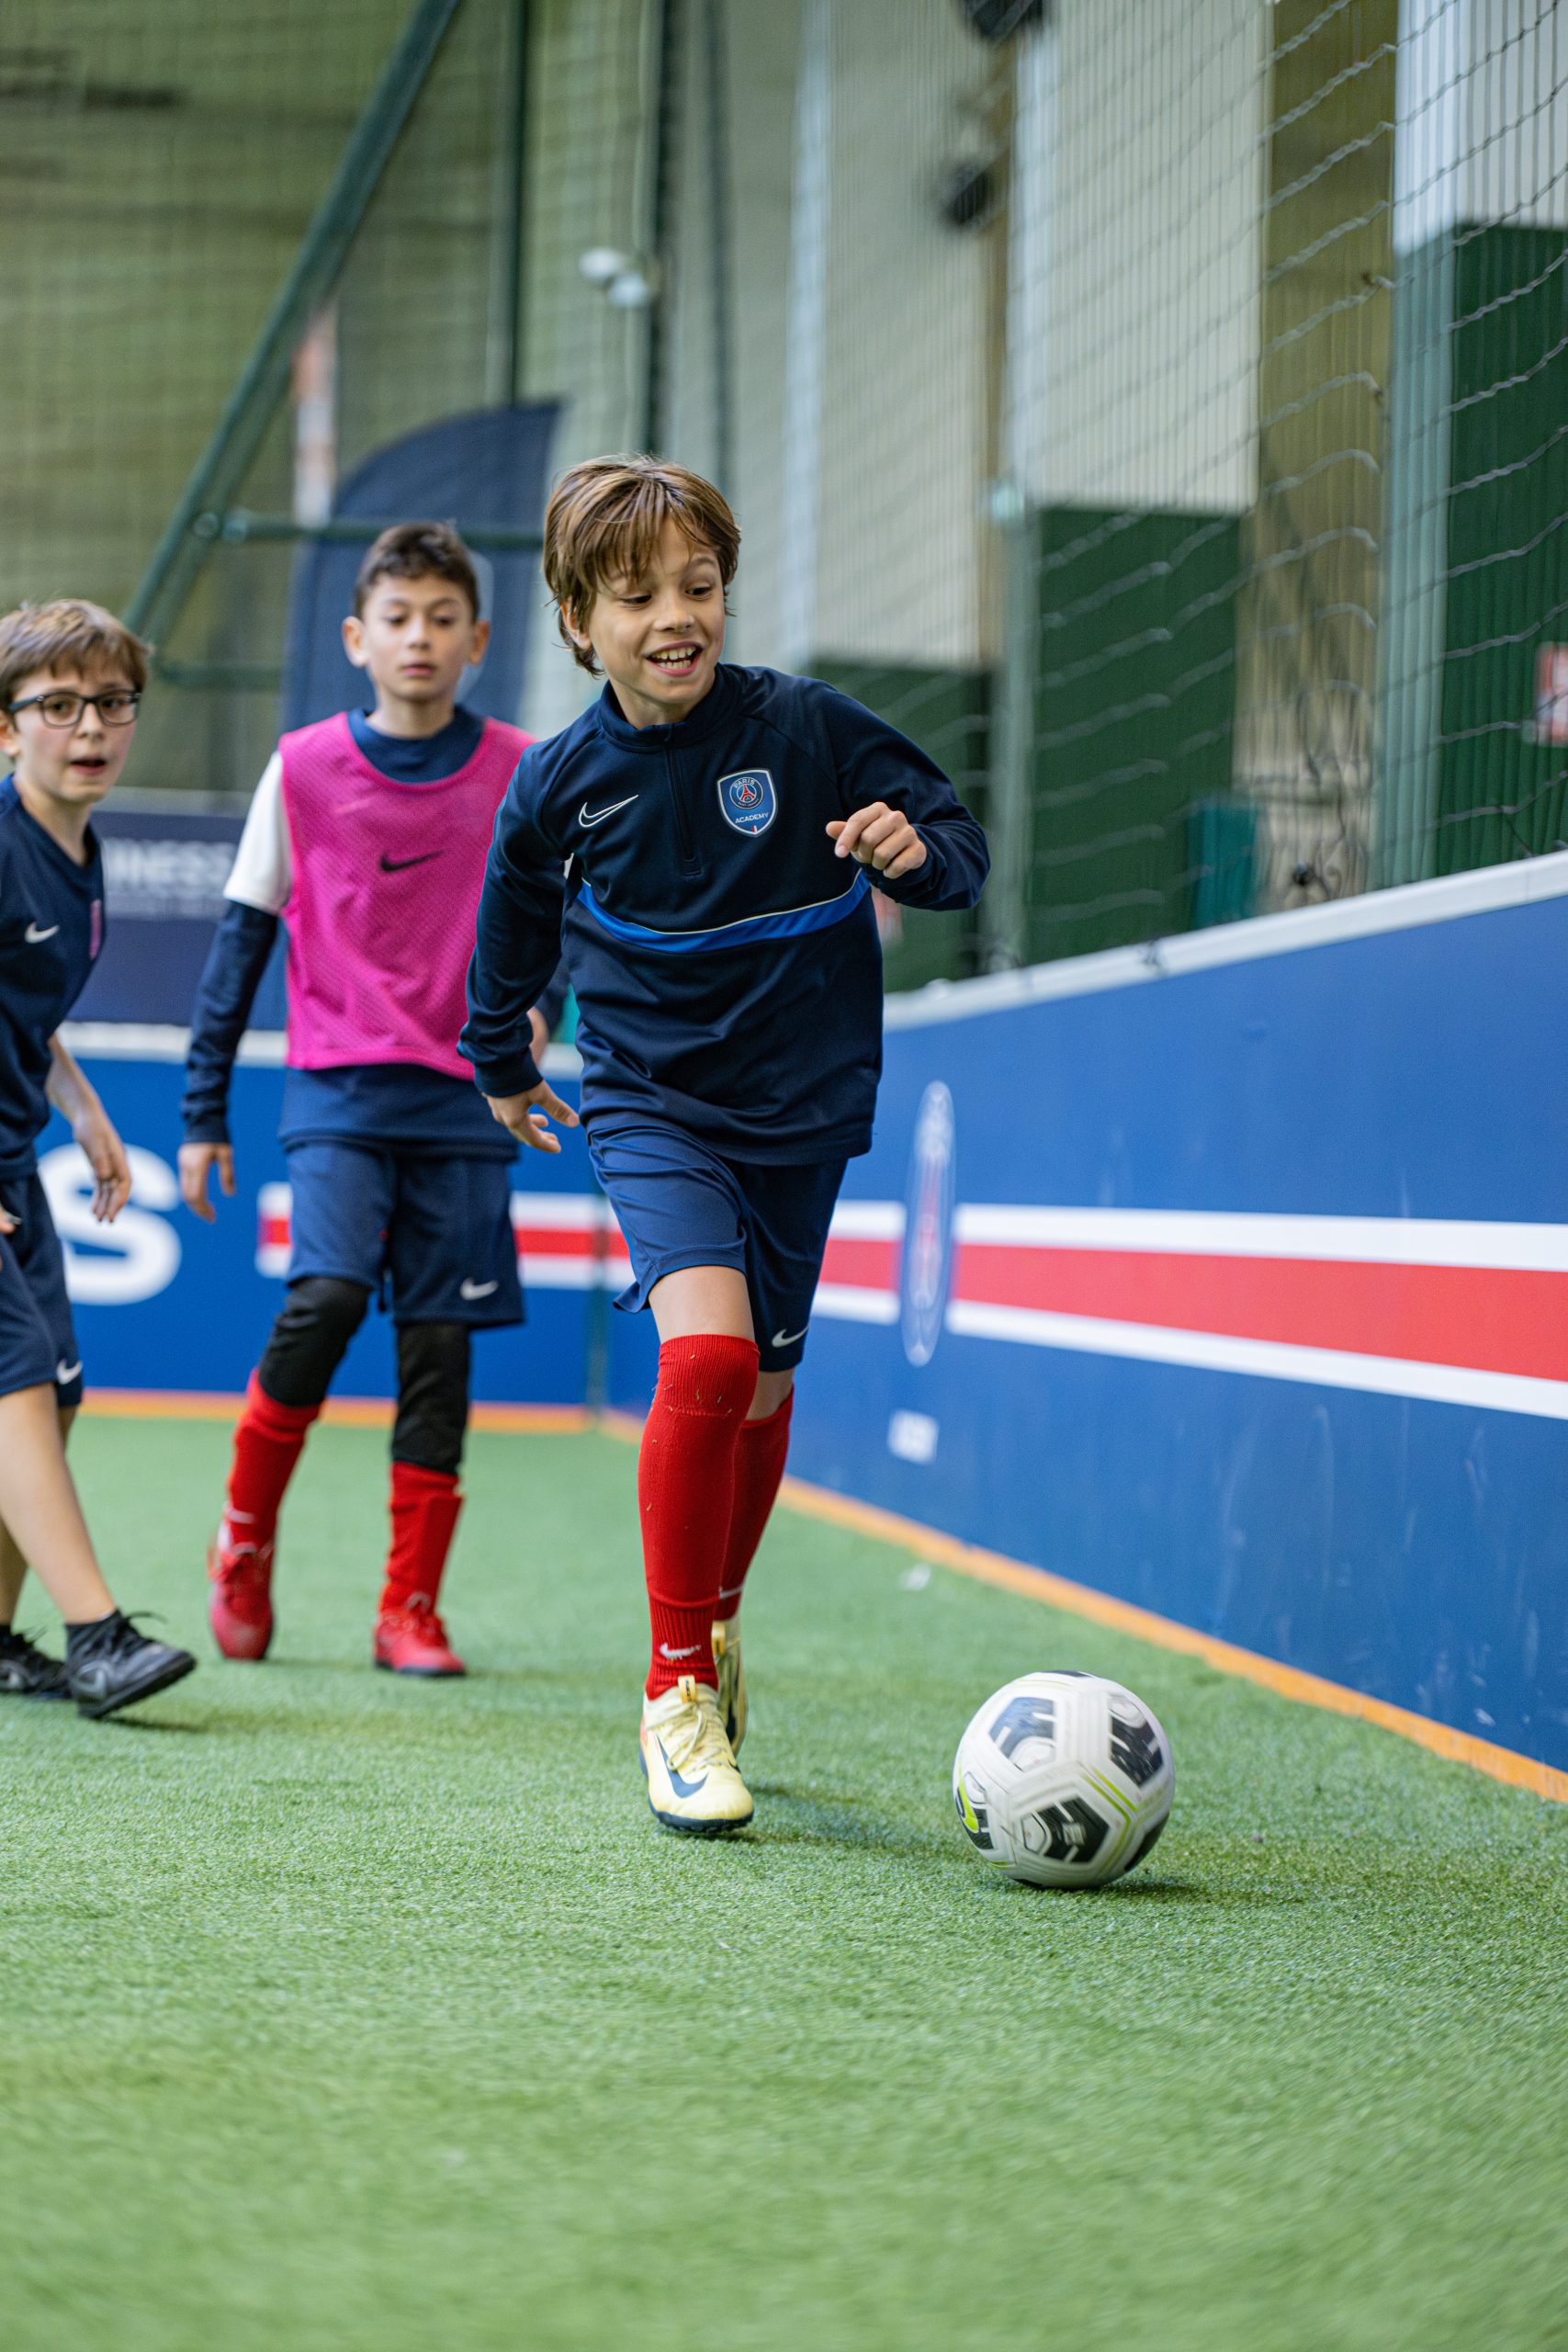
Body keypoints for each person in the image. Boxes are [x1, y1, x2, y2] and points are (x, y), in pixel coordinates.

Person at [461, 456, 988, 1833]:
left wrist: (913, 852)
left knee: (761, 1387)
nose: (674, 617)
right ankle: (674, 1686)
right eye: (636, 596)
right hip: (650, 1100)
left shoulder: (807, 726)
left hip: (805, 1103)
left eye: (696, 586)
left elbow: (957, 845)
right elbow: (510, 927)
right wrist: (499, 1058)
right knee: (705, 1359)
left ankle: (718, 1614)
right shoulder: (557, 784)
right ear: (578, 622)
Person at [181, 522, 560, 1677]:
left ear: (479, 640)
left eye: (443, 619)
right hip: (338, 1090)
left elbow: (566, 923)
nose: (419, 638)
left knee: (439, 1345)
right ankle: (243, 1542)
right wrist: (202, 1112)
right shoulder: (300, 767)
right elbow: (239, 944)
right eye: (398, 618)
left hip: (468, 1102)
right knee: (329, 1296)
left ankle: (410, 1609)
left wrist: (546, 1014)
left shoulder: (523, 769)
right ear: (357, 637)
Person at [0, 599, 197, 1717]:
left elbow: (21, 1009)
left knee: (58, 1389)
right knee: (15, 1381)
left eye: (113, 703)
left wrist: (80, 1108)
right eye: (59, 705)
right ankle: (97, 1635)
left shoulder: (78, 850)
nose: (91, 727)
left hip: (16, 1155)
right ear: (5, 727)